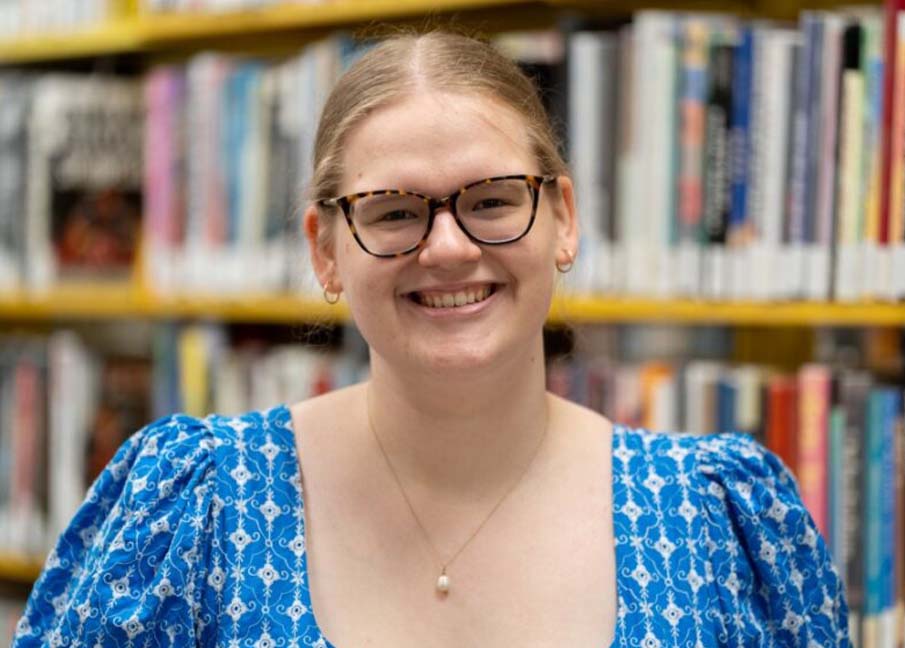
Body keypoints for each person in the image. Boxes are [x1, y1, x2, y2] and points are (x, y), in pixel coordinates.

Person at [13, 31, 847, 647]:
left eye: (490, 200)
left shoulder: (715, 523)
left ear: (563, 218)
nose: (447, 247)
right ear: (324, 249)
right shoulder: (193, 507)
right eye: (395, 212)